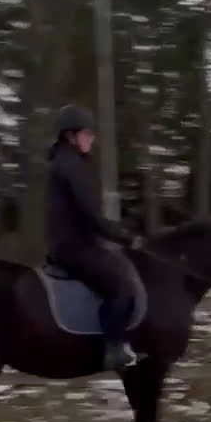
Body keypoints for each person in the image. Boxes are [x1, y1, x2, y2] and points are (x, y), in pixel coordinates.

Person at [45, 104, 138, 371]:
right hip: (74, 247)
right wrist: (122, 236)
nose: (91, 139)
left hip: (70, 243)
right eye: (87, 134)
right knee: (123, 286)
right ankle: (114, 348)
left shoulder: (67, 162)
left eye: (91, 134)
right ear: (70, 136)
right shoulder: (71, 165)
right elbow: (91, 214)